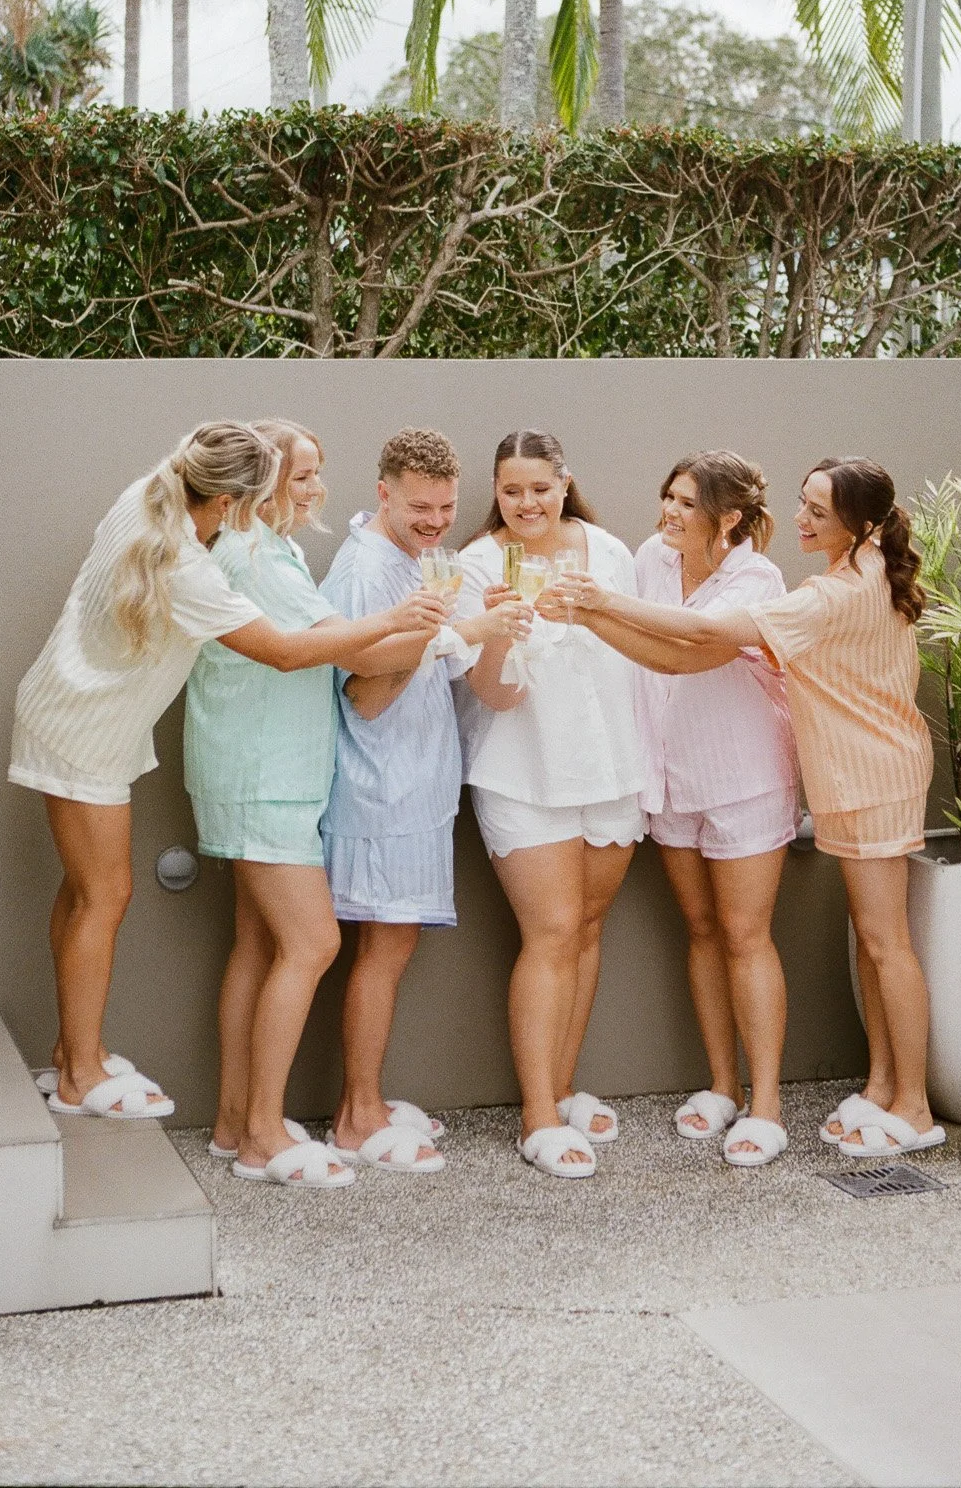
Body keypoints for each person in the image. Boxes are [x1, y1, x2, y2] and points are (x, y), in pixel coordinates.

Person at [9, 422, 447, 1128]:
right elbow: (284, 652)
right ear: (230, 503)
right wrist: (403, 620)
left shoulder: (148, 496)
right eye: (285, 480)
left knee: (86, 893)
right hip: (85, 728)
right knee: (104, 895)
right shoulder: (190, 568)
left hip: (82, 715)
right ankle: (80, 1074)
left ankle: (75, 1053)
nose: (305, 491)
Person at [543, 456, 945, 1162]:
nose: (799, 519)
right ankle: (882, 1087)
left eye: (817, 512)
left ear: (861, 525)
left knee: (886, 943)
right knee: (871, 940)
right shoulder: (854, 571)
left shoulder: (826, 594)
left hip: (872, 774)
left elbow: (698, 642)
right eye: (804, 503)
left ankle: (912, 1105)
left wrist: (594, 606)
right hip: (844, 775)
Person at [184, 421, 465, 1188]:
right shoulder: (254, 554)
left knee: (258, 947)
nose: (315, 489)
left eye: (316, 473)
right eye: (300, 476)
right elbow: (351, 654)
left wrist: (426, 626)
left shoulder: (269, 551)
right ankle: (263, 1138)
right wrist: (437, 625)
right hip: (263, 774)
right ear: (260, 483)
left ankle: (237, 1122)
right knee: (312, 944)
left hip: (269, 774)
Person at [320, 428, 528, 1174]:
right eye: (420, 509)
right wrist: (457, 630)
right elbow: (364, 690)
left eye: (446, 508)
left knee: (391, 951)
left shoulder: (415, 559)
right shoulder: (365, 569)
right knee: (384, 951)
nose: (437, 523)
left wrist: (473, 630)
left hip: (413, 790)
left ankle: (368, 1103)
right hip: (381, 792)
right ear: (383, 493)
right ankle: (356, 1118)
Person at [456, 430, 646, 1182]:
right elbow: (490, 694)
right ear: (496, 493)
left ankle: (563, 1090)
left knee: (588, 928)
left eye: (540, 488)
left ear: (565, 483)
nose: (526, 503)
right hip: (522, 771)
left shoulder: (610, 552)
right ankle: (537, 1117)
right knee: (552, 930)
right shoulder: (480, 564)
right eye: (512, 490)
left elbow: (637, 653)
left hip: (612, 766)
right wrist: (503, 632)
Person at [635, 453, 800, 1169]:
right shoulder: (650, 558)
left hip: (744, 777)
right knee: (701, 930)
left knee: (745, 934)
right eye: (668, 498)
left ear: (728, 518)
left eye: (686, 503)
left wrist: (596, 607)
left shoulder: (758, 580)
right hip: (671, 778)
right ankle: (722, 1086)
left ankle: (767, 1106)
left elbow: (687, 648)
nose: (669, 513)